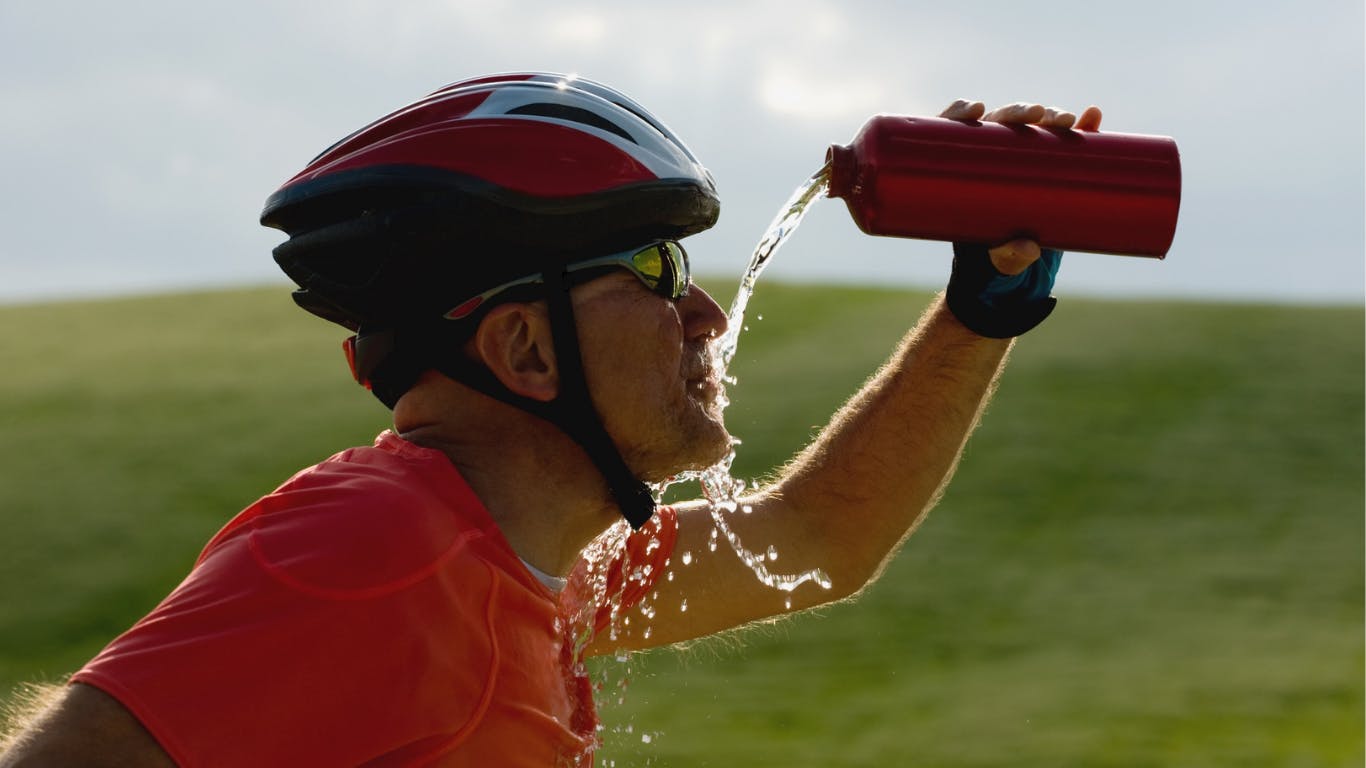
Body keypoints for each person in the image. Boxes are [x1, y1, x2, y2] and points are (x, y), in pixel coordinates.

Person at [0, 73, 1102, 767]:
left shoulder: (530, 559)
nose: (705, 313)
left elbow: (813, 545)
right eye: (655, 272)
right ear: (525, 350)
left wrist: (981, 314)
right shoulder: (381, 546)